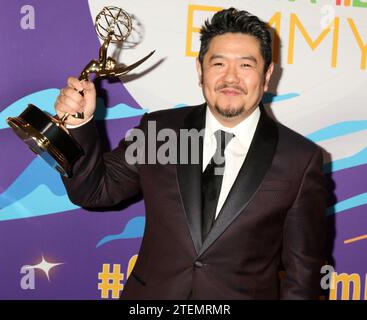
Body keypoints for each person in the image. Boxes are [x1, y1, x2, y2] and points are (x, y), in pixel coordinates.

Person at [55, 8, 326, 299]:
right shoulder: (160, 132)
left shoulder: (299, 158)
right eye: (218, 63)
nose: (231, 78)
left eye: (246, 65)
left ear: (267, 74)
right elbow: (94, 190)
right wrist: (80, 125)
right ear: (200, 70)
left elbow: (304, 274)